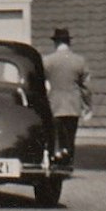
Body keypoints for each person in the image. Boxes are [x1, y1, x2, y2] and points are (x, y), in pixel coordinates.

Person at [41, 27, 92, 166]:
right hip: (73, 105)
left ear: (56, 43)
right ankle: (68, 162)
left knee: (55, 135)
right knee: (70, 136)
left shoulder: (47, 61)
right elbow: (86, 87)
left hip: (54, 104)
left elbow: (41, 82)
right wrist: (87, 106)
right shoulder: (79, 61)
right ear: (69, 43)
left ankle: (55, 160)